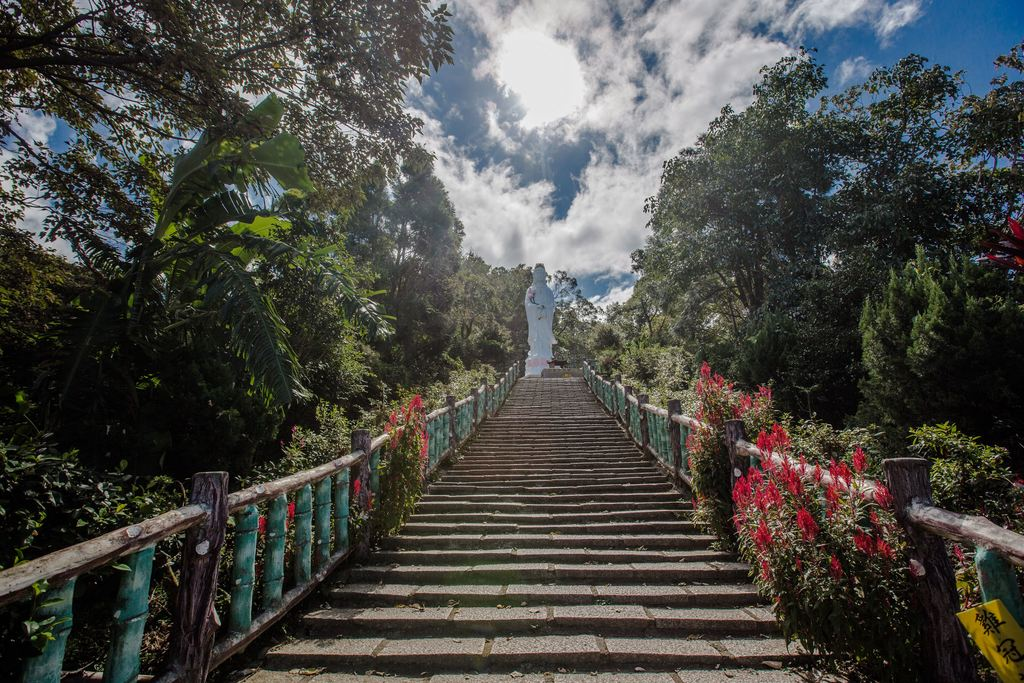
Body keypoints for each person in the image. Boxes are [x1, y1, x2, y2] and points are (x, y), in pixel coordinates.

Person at [524, 263, 555, 376]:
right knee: (536, 340)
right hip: (535, 321)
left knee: (545, 340)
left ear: (545, 275)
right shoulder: (530, 290)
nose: (539, 275)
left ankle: (546, 358)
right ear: (534, 275)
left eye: (541, 273)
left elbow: (552, 306)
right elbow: (527, 304)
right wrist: (536, 308)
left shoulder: (548, 291)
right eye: (537, 273)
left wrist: (545, 311)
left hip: (545, 321)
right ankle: (536, 361)